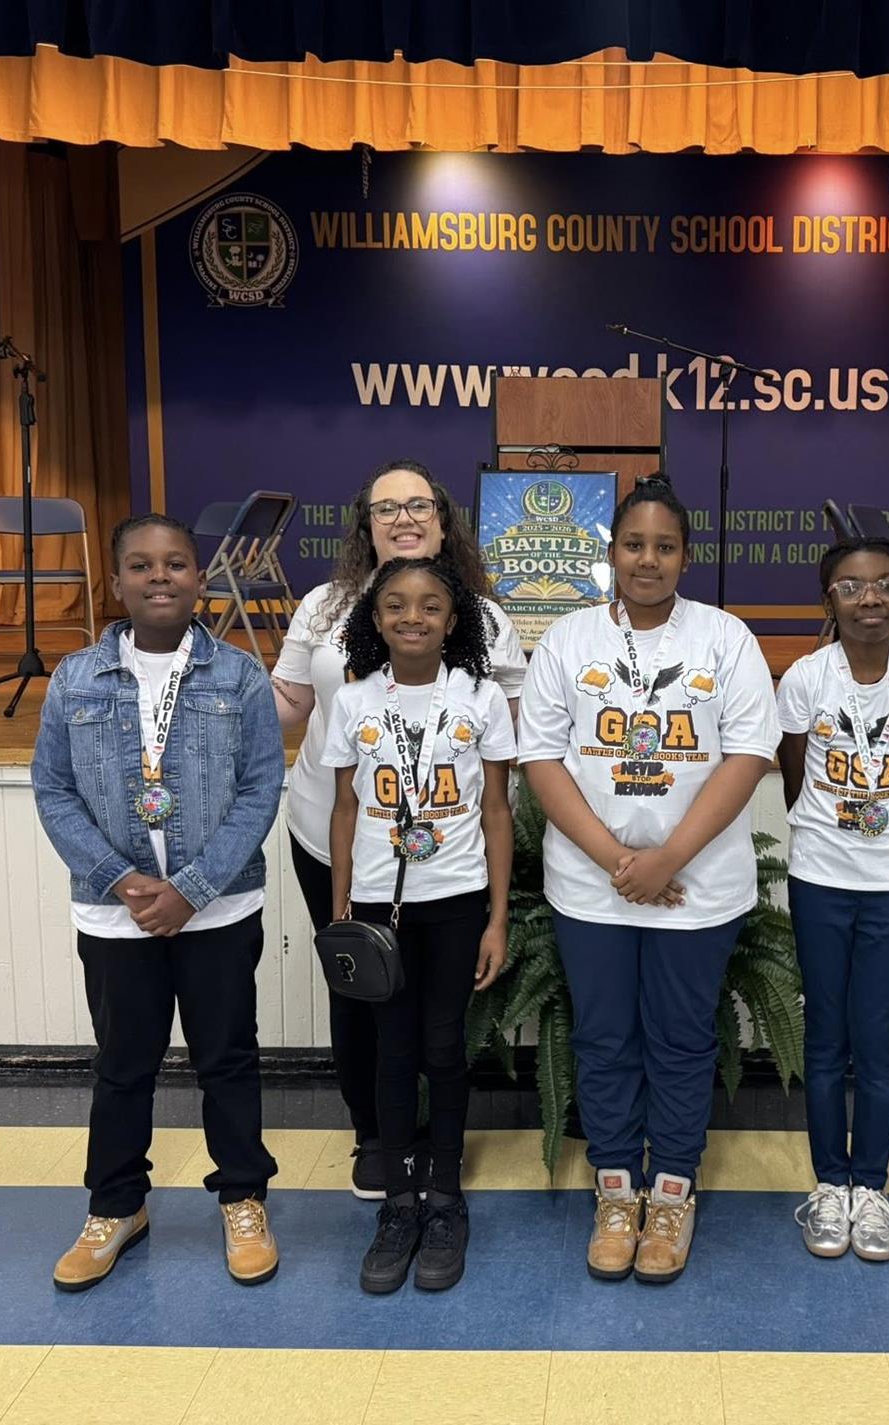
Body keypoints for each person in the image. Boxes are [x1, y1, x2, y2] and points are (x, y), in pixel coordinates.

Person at [518, 475, 778, 1285]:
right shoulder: (567, 639)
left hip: (696, 886)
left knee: (680, 1039)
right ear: (610, 553)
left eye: (665, 546)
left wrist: (667, 859)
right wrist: (615, 861)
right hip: (592, 886)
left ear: (686, 557)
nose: (648, 559)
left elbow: (748, 754)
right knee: (602, 1039)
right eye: (634, 543)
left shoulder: (725, 638)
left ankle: (671, 1190)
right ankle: (615, 1188)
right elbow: (541, 758)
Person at [32, 513, 285, 1292]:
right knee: (123, 1066)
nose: (160, 576)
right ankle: (116, 1205)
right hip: (116, 915)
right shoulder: (74, 677)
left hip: (218, 910)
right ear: (117, 582)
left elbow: (259, 789)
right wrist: (118, 877)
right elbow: (53, 787)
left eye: (176, 563)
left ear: (199, 577)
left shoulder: (239, 676)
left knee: (229, 1061)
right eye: (140, 565)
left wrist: (193, 889)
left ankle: (242, 1195)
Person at [271, 460, 526, 1199]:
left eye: (420, 504)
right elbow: (288, 700)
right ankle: (375, 1140)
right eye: (386, 507)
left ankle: (439, 1158)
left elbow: (511, 720)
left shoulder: (480, 614)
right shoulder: (323, 607)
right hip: (336, 841)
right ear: (365, 524)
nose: (404, 516)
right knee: (362, 991)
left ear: (444, 521)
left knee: (438, 1020)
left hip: (448, 855)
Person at [322, 556, 514, 1294]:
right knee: (391, 1051)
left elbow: (497, 810)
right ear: (374, 620)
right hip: (377, 906)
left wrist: (497, 916)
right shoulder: (355, 700)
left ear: (453, 618)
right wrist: (341, 911)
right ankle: (399, 1202)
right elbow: (344, 810)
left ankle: (445, 1196)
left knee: (444, 1045)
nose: (412, 617)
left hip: (457, 899)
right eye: (396, 605)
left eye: (429, 606)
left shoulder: (481, 697)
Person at [777, 537, 889, 1262]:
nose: (871, 599)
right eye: (852, 587)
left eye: (886, 584)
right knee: (826, 1036)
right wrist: (834, 827)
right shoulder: (804, 679)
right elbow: (794, 777)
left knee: (877, 1037)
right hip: (820, 875)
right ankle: (829, 1184)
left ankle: (871, 1186)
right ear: (829, 598)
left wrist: (881, 829)